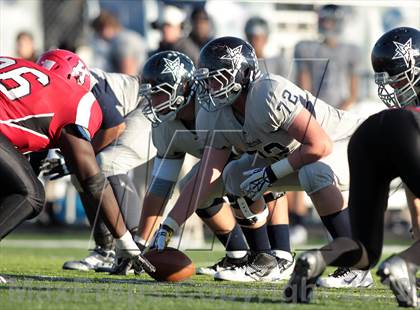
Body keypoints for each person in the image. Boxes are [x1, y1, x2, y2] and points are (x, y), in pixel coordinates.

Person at [153, 36, 371, 284]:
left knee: (314, 172)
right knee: (235, 175)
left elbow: (319, 145)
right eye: (207, 79)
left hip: (351, 145)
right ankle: (264, 259)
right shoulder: (215, 112)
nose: (211, 86)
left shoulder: (268, 92)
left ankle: (357, 265)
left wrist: (271, 174)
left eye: (218, 77)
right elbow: (207, 174)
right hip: (300, 155)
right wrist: (169, 225)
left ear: (243, 73)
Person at [284, 27, 420, 307]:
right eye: (390, 79)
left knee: (365, 249)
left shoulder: (402, 107)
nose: (393, 86)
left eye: (398, 78)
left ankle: (316, 259)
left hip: (367, 133)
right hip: (405, 132)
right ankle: (403, 265)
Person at [0, 52, 154, 284]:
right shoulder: (77, 99)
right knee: (30, 195)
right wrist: (126, 242)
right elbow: (93, 181)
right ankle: (114, 245)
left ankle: (105, 248)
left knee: (14, 185)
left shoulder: (22, 70)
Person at [139, 50, 293, 281]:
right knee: (191, 186)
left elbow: (264, 160)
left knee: (250, 175)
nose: (153, 102)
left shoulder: (214, 105)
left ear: (182, 89)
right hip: (224, 162)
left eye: (159, 94)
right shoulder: (164, 125)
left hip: (261, 155)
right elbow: (160, 187)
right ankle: (238, 255)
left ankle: (280, 253)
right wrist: (141, 243)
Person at [90, 11, 147, 75]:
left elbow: (128, 74)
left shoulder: (122, 42)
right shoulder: (127, 36)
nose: (98, 36)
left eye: (98, 31)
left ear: (105, 28)